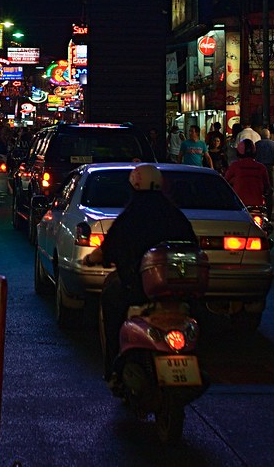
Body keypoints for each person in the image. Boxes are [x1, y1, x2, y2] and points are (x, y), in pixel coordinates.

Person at [83, 163, 198, 380]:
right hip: (177, 290)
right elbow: (192, 244)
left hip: (137, 288)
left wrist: (91, 259)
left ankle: (114, 368)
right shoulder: (174, 214)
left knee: (111, 303)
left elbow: (109, 249)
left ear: (134, 185)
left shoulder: (131, 216)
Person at [225, 139, 270, 208]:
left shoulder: (235, 166)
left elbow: (225, 181)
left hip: (239, 203)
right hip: (257, 202)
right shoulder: (261, 167)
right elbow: (267, 185)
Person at [255, 128, 274, 216]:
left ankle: (259, 210)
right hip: (270, 168)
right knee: (270, 190)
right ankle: (269, 212)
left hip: (259, 168)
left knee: (259, 189)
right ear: (269, 136)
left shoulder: (257, 144)